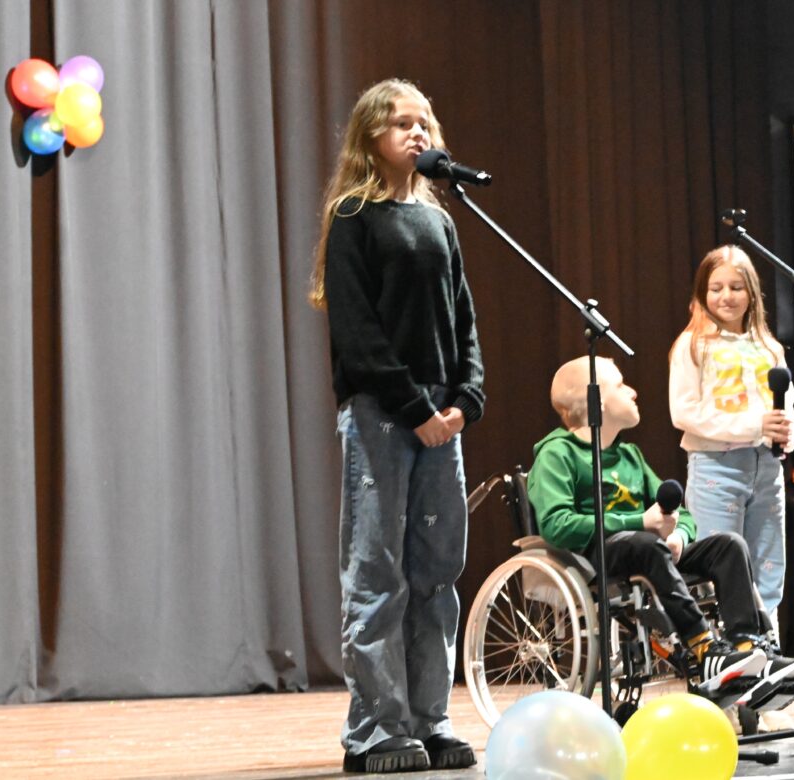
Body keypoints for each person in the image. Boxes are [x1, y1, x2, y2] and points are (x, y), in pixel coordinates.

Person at [310, 78, 484, 774]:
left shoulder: (440, 220)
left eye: (424, 123)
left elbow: (464, 319)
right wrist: (416, 410)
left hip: (442, 416)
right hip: (383, 415)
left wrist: (466, 398)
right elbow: (358, 336)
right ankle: (375, 730)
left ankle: (428, 718)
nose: (417, 133)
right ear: (370, 136)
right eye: (401, 123)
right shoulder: (355, 216)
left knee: (436, 574)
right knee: (378, 574)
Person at [526, 356, 794, 710]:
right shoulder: (557, 455)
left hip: (650, 551)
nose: (633, 392)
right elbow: (556, 525)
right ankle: (704, 647)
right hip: (593, 556)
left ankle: (747, 645)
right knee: (646, 544)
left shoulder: (629, 455)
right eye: (621, 385)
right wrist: (638, 522)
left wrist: (680, 536)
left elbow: (681, 513)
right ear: (594, 399)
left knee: (727, 545)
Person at [668, 245, 794, 645]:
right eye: (716, 288)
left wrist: (787, 432)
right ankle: (730, 651)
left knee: (768, 567)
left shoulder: (768, 347)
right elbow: (683, 413)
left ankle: (768, 650)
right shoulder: (693, 345)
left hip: (766, 468)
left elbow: (787, 404)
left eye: (736, 287)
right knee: (723, 569)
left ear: (752, 293)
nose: (726, 296)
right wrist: (753, 426)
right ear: (702, 293)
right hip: (717, 469)